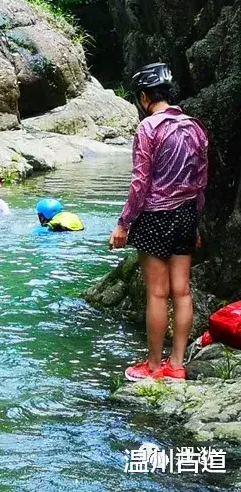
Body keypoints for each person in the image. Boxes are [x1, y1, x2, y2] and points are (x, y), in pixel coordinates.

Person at [108, 63, 208, 381]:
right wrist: (196, 223)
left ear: (144, 97)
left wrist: (124, 223)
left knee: (157, 293)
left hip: (153, 215)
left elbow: (140, 182)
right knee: (182, 291)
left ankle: (152, 367)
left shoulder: (149, 128)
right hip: (186, 214)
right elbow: (201, 180)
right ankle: (176, 365)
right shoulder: (195, 127)